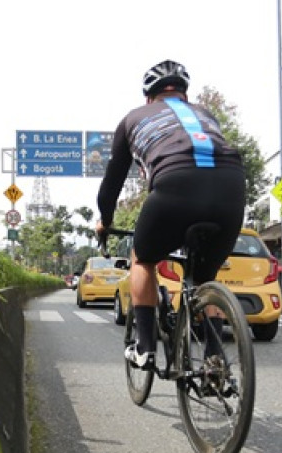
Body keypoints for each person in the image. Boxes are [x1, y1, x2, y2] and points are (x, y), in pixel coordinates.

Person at [95, 59, 246, 368]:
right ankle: (215, 358)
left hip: (175, 185)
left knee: (143, 259)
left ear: (149, 98)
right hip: (232, 188)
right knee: (206, 279)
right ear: (185, 96)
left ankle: (145, 348)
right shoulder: (205, 114)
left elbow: (111, 185)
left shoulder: (132, 119)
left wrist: (105, 223)